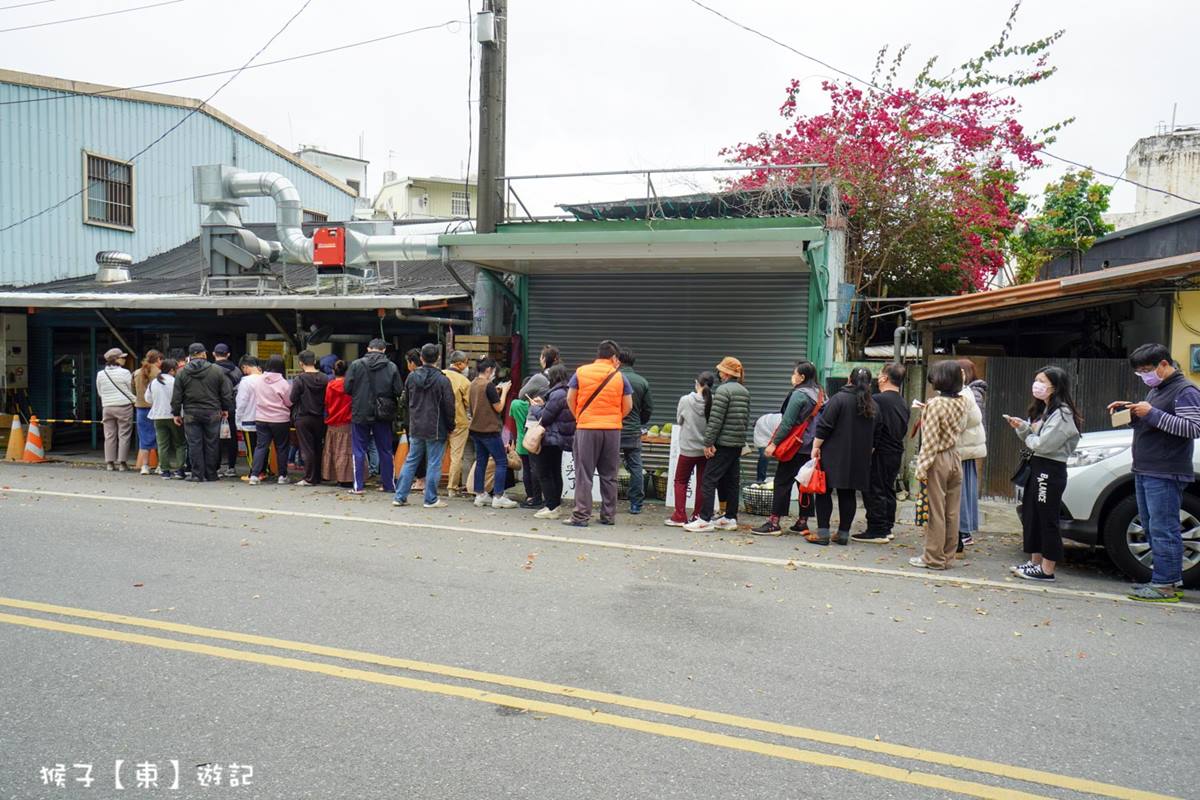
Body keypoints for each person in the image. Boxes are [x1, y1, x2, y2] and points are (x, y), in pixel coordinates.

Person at [1108, 344, 1200, 601]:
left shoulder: (1186, 390)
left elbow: (1194, 427)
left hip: (1166, 471)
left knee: (1164, 528)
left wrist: (1152, 413)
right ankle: (1166, 578)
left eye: (1147, 370)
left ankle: (1165, 585)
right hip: (1148, 468)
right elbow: (1155, 420)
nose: (1144, 375)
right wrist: (1132, 410)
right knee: (1151, 526)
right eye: (1139, 372)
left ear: (1163, 364)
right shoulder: (1157, 389)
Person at [1004, 366, 1082, 583]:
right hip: (1038, 466)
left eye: (1042, 381)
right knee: (1032, 514)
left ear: (1055, 387)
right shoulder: (1046, 410)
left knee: (1047, 518)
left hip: (1050, 468)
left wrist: (1028, 436)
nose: (1036, 385)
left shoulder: (1063, 413)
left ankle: (1047, 569)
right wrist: (1022, 428)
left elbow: (1043, 445)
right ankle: (1034, 561)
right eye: (1036, 379)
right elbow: (1036, 440)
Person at [565, 340, 634, 527]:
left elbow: (570, 398)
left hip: (586, 428)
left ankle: (581, 516)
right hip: (612, 430)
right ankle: (608, 516)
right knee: (609, 475)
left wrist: (579, 416)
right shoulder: (620, 377)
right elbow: (628, 405)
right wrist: (614, 417)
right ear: (613, 357)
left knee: (584, 473)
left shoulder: (581, 372)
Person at [808, 367, 877, 545]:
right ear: (869, 383)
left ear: (849, 379)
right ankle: (843, 534)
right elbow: (877, 432)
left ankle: (823, 533)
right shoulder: (872, 404)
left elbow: (824, 425)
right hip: (858, 457)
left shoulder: (839, 399)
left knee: (824, 492)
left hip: (833, 454)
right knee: (848, 494)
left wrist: (816, 447)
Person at [909, 361, 968, 570]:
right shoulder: (962, 401)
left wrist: (921, 469)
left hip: (938, 459)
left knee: (935, 511)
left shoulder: (935, 404)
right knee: (952, 511)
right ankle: (947, 556)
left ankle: (933, 558)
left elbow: (930, 442)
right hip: (955, 456)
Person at [753, 361, 822, 536]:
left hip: (796, 446)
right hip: (813, 446)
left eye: (794, 373)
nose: (793, 376)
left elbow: (787, 422)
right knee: (804, 483)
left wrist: (774, 443)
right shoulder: (821, 394)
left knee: (782, 482)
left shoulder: (800, 394)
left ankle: (774, 522)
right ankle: (802, 522)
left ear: (802, 377)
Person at [685, 357, 750, 533]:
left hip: (724, 443)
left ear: (727, 373)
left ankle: (705, 519)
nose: (719, 373)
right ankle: (730, 517)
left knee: (708, 479)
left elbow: (716, 420)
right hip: (737, 443)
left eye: (721, 370)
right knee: (732, 481)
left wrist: (708, 442)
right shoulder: (744, 391)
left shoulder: (723, 391)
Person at [393, 343, 456, 508]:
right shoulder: (443, 380)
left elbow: (405, 401)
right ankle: (430, 499)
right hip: (436, 427)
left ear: (421, 358)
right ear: (439, 358)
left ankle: (400, 496)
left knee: (411, 460)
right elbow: (449, 406)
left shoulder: (412, 377)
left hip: (416, 425)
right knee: (434, 463)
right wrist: (451, 426)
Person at [855, 362, 911, 543]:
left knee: (874, 489)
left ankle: (876, 529)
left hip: (879, 451)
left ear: (885, 378)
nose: (878, 377)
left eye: (880, 374)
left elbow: (874, 427)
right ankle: (887, 527)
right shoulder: (902, 402)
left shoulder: (878, 400)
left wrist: (868, 448)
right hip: (895, 451)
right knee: (888, 489)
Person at [344, 338, 404, 495]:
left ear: (368, 348)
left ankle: (358, 486)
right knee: (385, 449)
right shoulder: (391, 366)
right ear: (384, 350)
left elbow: (347, 388)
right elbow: (398, 390)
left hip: (360, 411)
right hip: (383, 413)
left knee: (359, 449)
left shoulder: (356, 365)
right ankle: (388, 485)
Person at [170, 343, 233, 482]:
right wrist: (225, 408)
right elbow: (226, 393)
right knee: (212, 443)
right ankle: (211, 474)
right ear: (204, 354)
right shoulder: (216, 370)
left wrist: (175, 413)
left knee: (194, 444)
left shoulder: (182, 372)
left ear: (190, 355)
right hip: (212, 411)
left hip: (191, 412)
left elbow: (176, 396)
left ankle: (197, 474)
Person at [667, 371, 714, 527]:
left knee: (680, 481)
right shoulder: (714, 401)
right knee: (702, 482)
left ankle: (680, 515)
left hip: (687, 448)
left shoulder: (686, 400)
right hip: (706, 450)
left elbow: (679, 420)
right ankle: (697, 515)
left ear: (697, 383)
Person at [468, 357, 516, 508]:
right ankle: (499, 496)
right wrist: (505, 392)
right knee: (501, 461)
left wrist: (497, 391)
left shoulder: (473, 383)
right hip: (489, 429)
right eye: (493, 370)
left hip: (475, 429)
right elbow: (499, 408)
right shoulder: (488, 385)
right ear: (488, 370)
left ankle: (480, 494)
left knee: (481, 461)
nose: (494, 373)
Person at [531, 364, 575, 520]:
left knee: (544, 472)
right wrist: (544, 405)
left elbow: (546, 417)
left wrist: (535, 408)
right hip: (561, 438)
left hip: (550, 438)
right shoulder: (568, 391)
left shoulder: (556, 394)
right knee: (556, 472)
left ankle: (551, 506)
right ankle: (556, 505)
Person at [618, 348, 654, 515]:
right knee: (636, 467)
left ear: (618, 361)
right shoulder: (642, 381)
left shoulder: (613, 379)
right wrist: (640, 422)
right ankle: (636, 505)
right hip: (633, 430)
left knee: (609, 466)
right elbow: (648, 408)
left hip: (613, 429)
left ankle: (608, 502)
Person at [956, 359, 987, 547]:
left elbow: (965, 421)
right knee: (963, 491)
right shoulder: (973, 392)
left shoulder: (972, 394)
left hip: (964, 449)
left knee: (962, 491)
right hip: (966, 448)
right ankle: (963, 530)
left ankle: (964, 531)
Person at [248, 355, 292, 486]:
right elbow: (289, 402)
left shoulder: (258, 380)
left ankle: (255, 475)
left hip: (261, 418)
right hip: (280, 419)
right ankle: (282, 476)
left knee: (261, 446)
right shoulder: (283, 383)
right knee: (281, 447)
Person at [290, 350, 329, 486]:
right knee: (318, 446)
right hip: (320, 417)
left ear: (301, 363)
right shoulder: (325, 378)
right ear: (315, 361)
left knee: (307, 448)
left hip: (303, 417)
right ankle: (318, 476)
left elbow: (292, 398)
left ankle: (309, 478)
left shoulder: (299, 379)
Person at [96, 347, 136, 471]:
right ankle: (122, 463)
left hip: (107, 407)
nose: (124, 359)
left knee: (109, 435)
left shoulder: (101, 374)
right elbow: (131, 389)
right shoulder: (125, 373)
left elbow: (100, 392)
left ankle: (109, 463)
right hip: (124, 406)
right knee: (124, 434)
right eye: (122, 357)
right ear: (116, 359)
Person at [146, 357, 184, 479]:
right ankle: (180, 470)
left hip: (158, 416)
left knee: (162, 445)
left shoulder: (154, 382)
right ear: (172, 370)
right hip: (174, 416)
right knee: (180, 443)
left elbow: (148, 399)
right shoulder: (175, 381)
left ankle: (165, 470)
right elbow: (180, 399)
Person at [442, 350, 473, 497]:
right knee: (456, 456)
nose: (467, 366)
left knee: (436, 455)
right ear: (460, 364)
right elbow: (470, 404)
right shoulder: (463, 381)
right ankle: (452, 488)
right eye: (466, 363)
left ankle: (431, 484)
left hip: (439, 423)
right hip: (458, 423)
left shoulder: (440, 375)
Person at [321, 360, 355, 486]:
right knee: (346, 451)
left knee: (333, 451)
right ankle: (347, 477)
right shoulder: (350, 385)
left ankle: (335, 476)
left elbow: (327, 402)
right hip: (347, 421)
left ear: (333, 371)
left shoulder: (330, 385)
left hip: (333, 422)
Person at [211, 344, 242, 477]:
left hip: (215, 407)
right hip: (232, 407)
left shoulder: (210, 369)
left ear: (213, 354)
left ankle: (216, 467)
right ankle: (231, 467)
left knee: (213, 437)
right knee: (232, 437)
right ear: (228, 354)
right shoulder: (237, 370)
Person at [508, 391, 543, 509]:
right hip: (535, 441)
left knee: (527, 470)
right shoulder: (537, 405)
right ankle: (538, 496)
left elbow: (512, 417)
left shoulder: (515, 405)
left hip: (522, 442)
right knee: (536, 469)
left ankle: (530, 496)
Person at [131, 349, 162, 475]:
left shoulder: (136, 373)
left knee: (144, 438)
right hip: (156, 408)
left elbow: (133, 390)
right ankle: (160, 465)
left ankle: (145, 466)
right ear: (158, 360)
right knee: (160, 436)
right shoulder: (159, 373)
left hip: (141, 408)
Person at [236, 356, 262, 477]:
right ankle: (263, 470)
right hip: (264, 418)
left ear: (245, 367)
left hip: (249, 419)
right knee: (263, 446)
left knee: (251, 448)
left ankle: (254, 471)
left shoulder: (245, 381)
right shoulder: (264, 378)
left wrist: (238, 419)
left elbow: (241, 402)